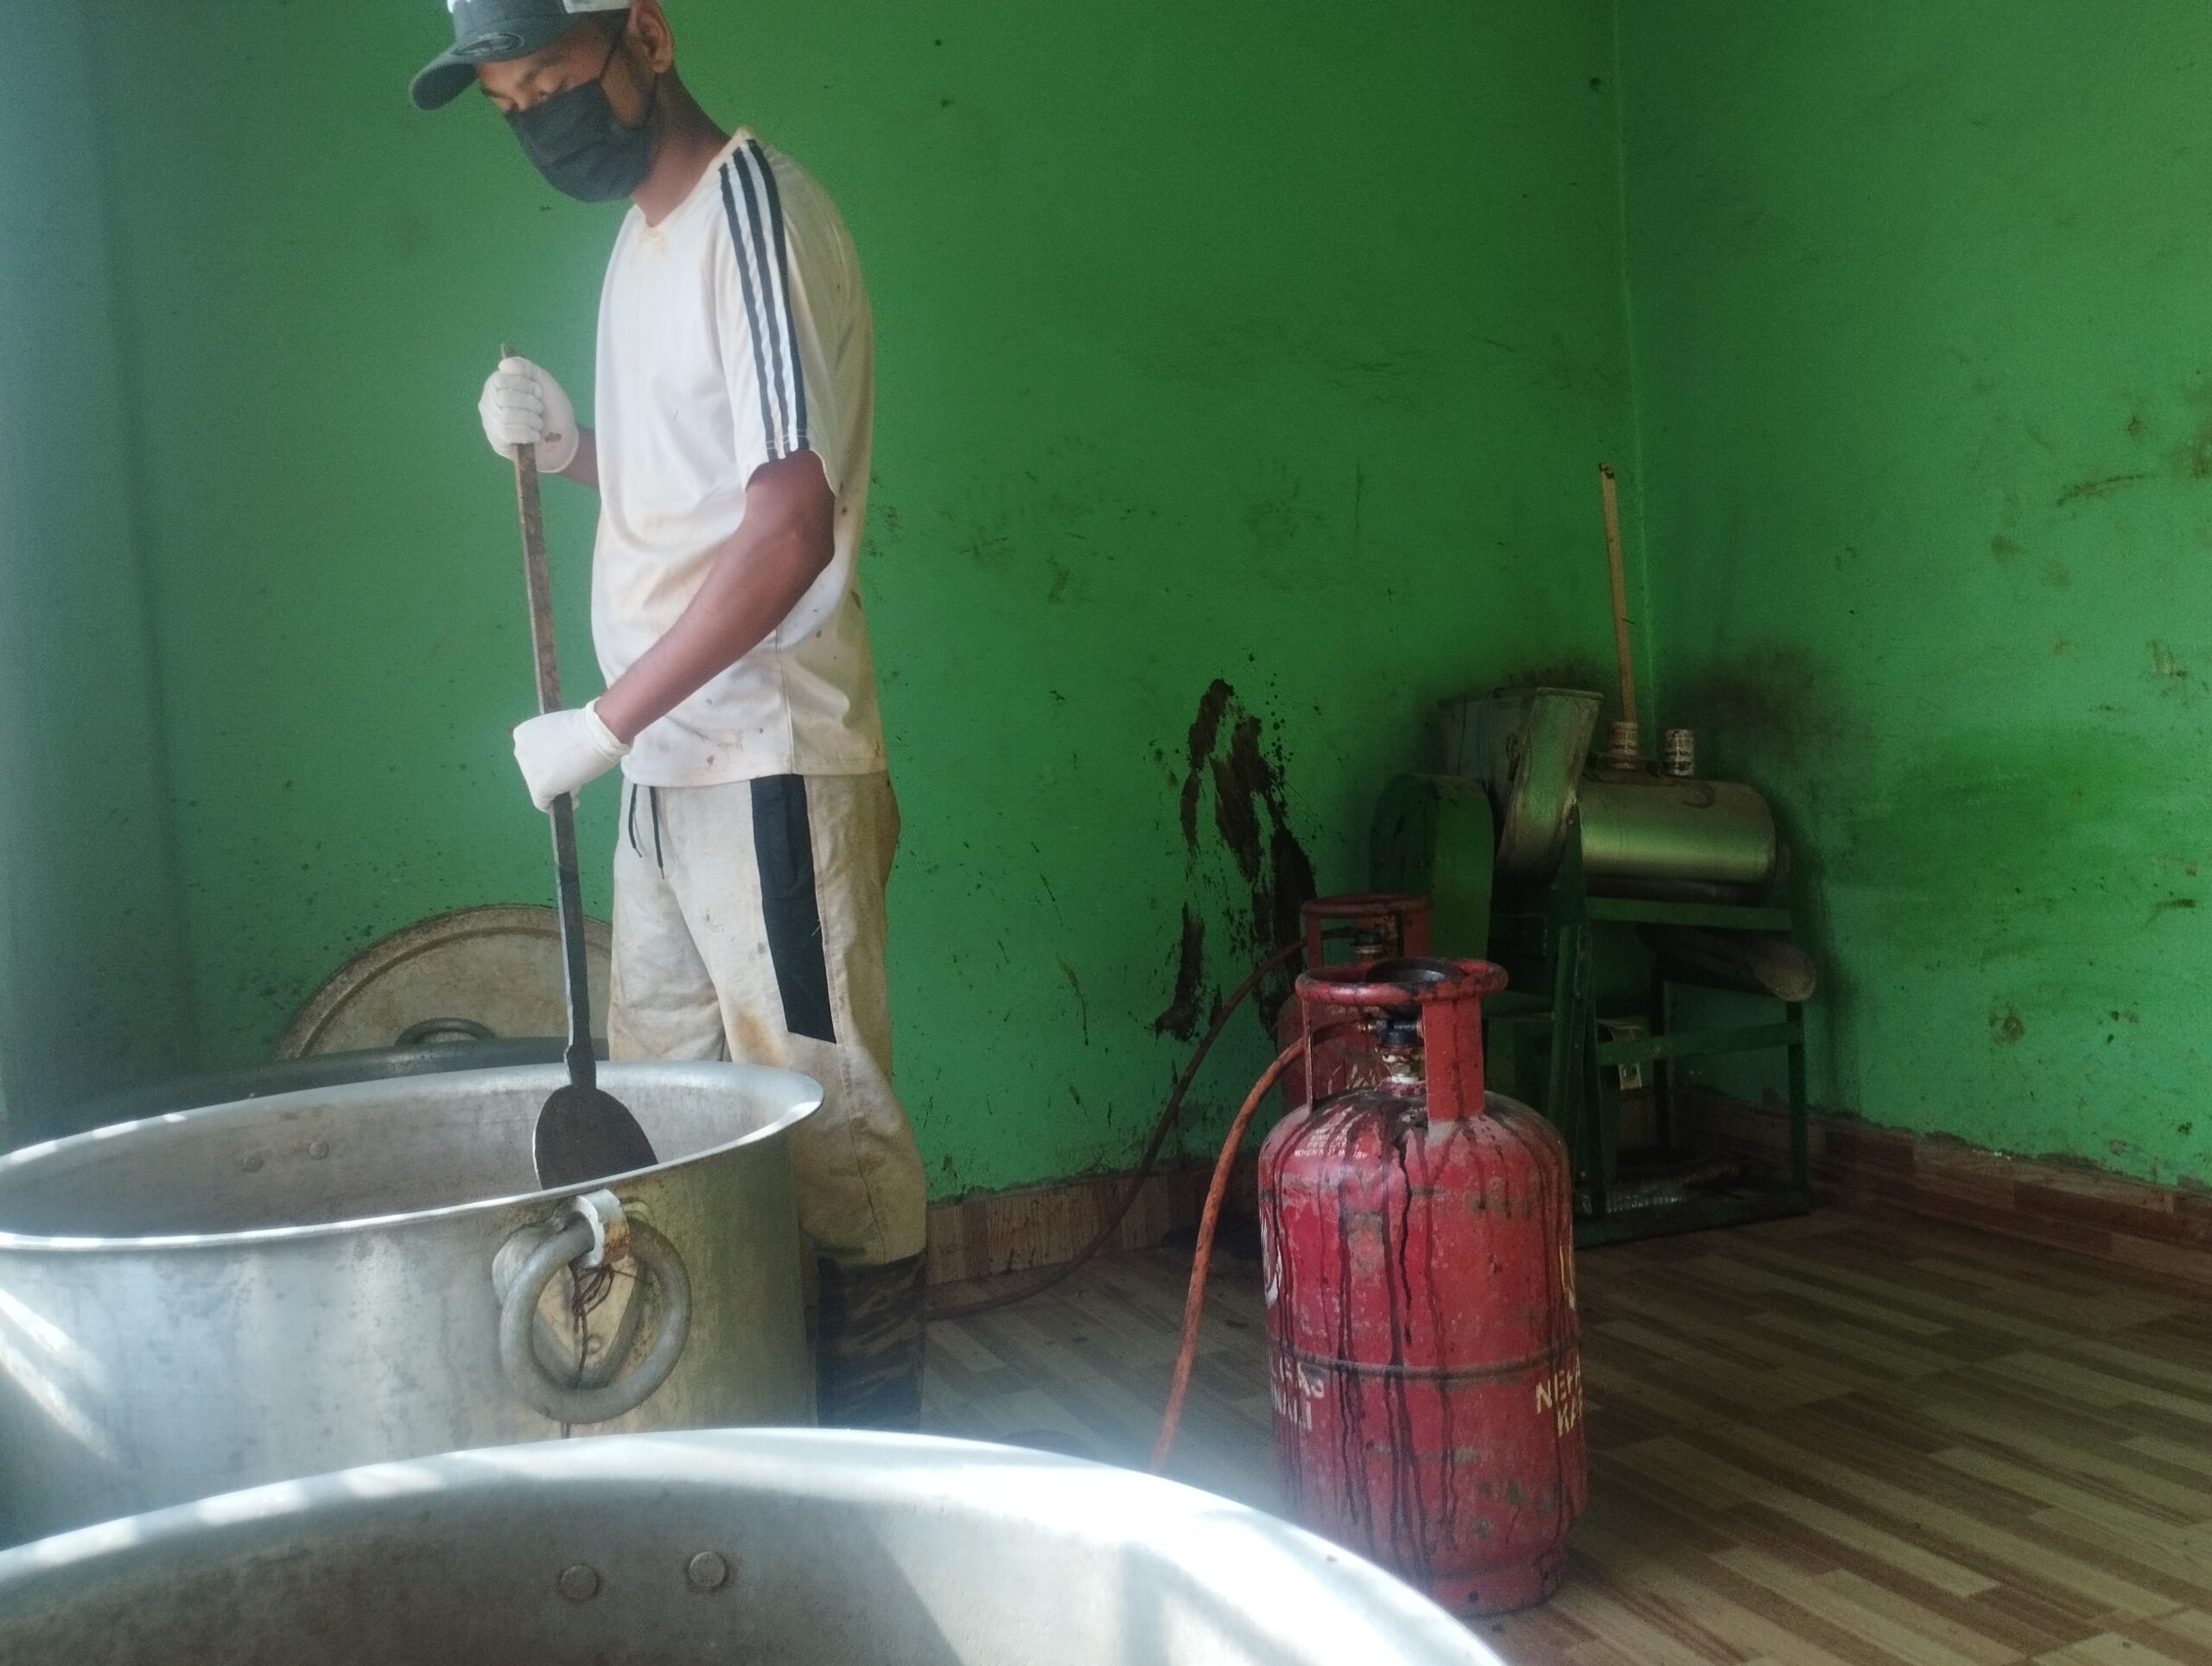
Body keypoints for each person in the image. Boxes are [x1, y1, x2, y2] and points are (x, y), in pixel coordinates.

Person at [411, 0, 928, 1428]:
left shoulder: (747, 207)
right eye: (512, 103)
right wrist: (576, 450)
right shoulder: (641, 241)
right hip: (664, 776)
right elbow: (692, 490)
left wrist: (606, 718)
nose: (539, 120)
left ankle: (876, 1466)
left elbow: (788, 524)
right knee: (676, 1128)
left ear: (644, 30)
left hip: (761, 759)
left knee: (831, 1134)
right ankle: (738, 1444)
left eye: (556, 77)